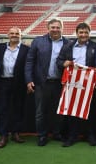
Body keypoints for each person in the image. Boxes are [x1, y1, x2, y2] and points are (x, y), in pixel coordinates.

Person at [25, 18, 68, 146]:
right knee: (40, 112)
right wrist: (29, 80)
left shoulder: (68, 43)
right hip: (41, 83)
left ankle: (56, 133)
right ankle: (42, 135)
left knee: (59, 111)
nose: (55, 29)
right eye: (52, 27)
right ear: (48, 28)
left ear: (62, 28)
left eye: (57, 27)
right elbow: (29, 61)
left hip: (60, 83)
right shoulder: (38, 41)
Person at [56, 22, 96, 147]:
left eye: (86, 32)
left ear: (89, 34)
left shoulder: (95, 46)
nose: (83, 35)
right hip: (72, 82)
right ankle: (72, 136)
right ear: (77, 33)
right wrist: (64, 63)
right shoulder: (68, 46)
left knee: (89, 109)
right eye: (81, 32)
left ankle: (90, 135)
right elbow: (59, 61)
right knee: (72, 110)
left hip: (88, 82)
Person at [0, 26, 29, 148]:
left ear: (21, 36)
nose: (14, 35)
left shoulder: (26, 49)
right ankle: (3, 135)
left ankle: (16, 133)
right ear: (8, 35)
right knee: (3, 109)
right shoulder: (0, 48)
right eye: (12, 33)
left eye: (17, 34)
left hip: (18, 83)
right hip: (3, 82)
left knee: (17, 109)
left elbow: (29, 67)